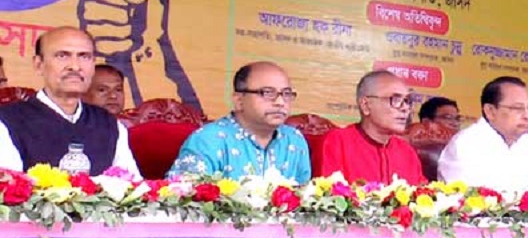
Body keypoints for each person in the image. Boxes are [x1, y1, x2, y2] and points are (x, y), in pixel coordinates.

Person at [0, 26, 139, 175]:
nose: (75, 66)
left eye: (84, 56)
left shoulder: (110, 125)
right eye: (62, 56)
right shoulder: (8, 121)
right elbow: (8, 185)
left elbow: (130, 183)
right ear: (39, 64)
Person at [168, 61, 310, 183]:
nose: (280, 102)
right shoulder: (207, 140)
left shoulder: (294, 140)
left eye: (286, 94)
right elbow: (182, 199)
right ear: (239, 100)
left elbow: (304, 200)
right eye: (267, 93)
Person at [438, 76, 528, 192]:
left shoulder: (526, 142)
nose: (527, 116)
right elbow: (475, 200)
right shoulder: (467, 143)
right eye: (518, 108)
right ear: (490, 111)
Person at [316, 70, 426, 185]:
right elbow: (327, 193)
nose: (405, 108)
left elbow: (423, 193)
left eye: (407, 101)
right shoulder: (337, 142)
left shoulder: (406, 151)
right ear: (366, 105)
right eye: (395, 100)